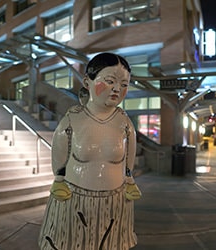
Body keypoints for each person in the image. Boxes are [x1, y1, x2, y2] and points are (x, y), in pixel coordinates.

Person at [38, 52, 141, 250]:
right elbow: (59, 154)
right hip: (74, 198)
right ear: (87, 82)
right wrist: (59, 179)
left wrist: (129, 179)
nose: (117, 89)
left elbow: (130, 155)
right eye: (110, 81)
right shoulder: (72, 120)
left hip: (115, 200)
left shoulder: (124, 122)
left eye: (124, 84)